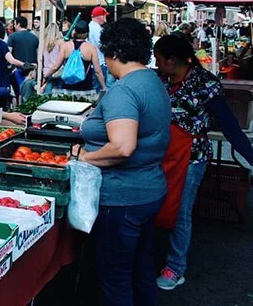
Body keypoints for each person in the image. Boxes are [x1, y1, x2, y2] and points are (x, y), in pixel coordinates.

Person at [153, 34, 253, 291]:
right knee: (157, 206)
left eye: (159, 60)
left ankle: (175, 268)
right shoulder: (160, 81)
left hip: (191, 157)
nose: (156, 65)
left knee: (181, 213)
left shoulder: (205, 83)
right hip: (160, 154)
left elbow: (228, 124)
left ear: (172, 59)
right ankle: (153, 256)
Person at [76, 18, 171, 306]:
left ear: (114, 53)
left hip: (121, 199)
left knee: (116, 279)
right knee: (141, 269)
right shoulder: (152, 80)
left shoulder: (124, 89)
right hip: (148, 191)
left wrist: (84, 158)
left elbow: (122, 146)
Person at [44, 21, 106, 93]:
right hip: (85, 87)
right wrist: (104, 87)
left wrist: (46, 76)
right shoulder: (91, 48)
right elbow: (98, 71)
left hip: (68, 86)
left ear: (75, 31)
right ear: (87, 33)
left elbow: (55, 67)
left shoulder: (65, 46)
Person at [41, 22, 66, 94]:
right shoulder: (61, 42)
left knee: (47, 96)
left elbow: (41, 59)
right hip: (59, 72)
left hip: (47, 72)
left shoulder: (43, 42)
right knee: (60, 95)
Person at [89, 7, 109, 89]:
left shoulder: (89, 26)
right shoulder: (97, 28)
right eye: (105, 16)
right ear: (101, 16)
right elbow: (101, 44)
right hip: (99, 62)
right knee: (99, 89)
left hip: (91, 63)